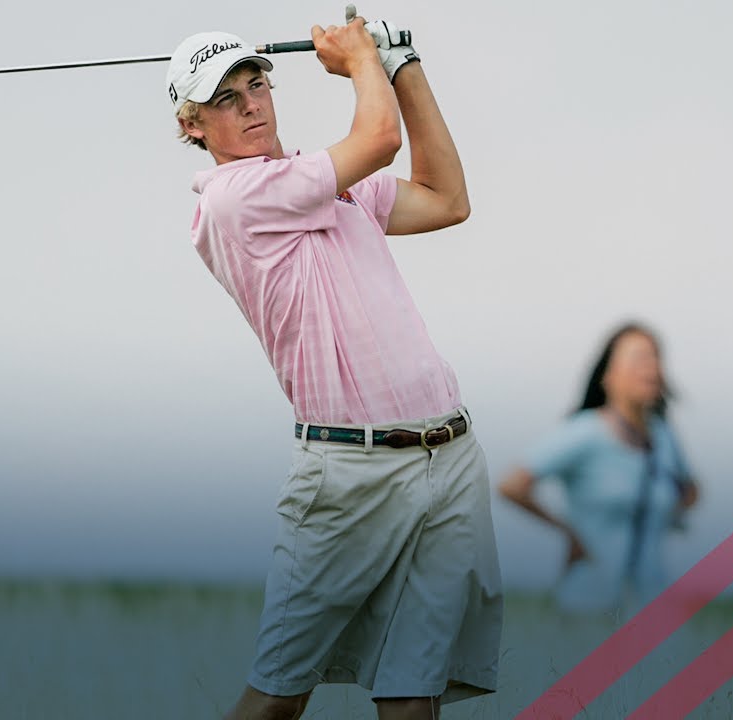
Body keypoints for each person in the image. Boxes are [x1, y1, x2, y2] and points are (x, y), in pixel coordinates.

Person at [166, 10, 502, 720]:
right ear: (192, 125)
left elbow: (447, 200)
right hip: (349, 473)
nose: (251, 104)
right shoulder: (232, 198)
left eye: (257, 85)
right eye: (225, 98)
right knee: (277, 698)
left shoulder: (326, 183)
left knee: (413, 696)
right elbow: (378, 139)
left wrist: (403, 66)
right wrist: (360, 60)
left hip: (447, 456)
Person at [499, 322, 699, 620]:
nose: (651, 367)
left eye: (655, 358)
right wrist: (568, 532)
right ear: (609, 376)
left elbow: (691, 489)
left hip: (651, 606)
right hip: (589, 609)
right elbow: (512, 485)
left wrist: (664, 514)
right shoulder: (585, 433)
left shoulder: (663, 436)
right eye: (639, 358)